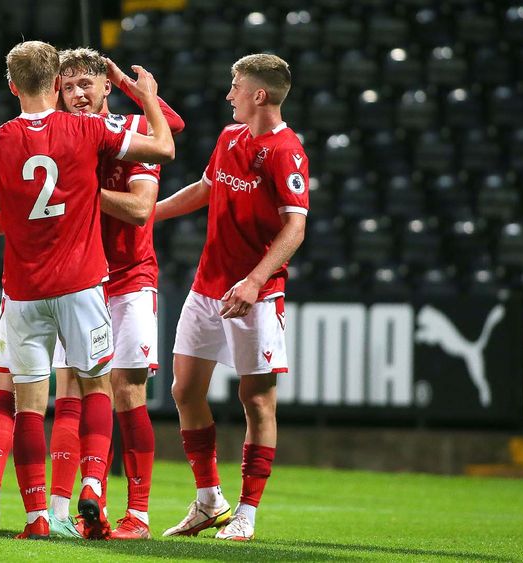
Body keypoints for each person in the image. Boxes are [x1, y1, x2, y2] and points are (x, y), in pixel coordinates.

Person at [0, 40, 174, 540]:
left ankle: (38, 516)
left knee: (28, 402)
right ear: (56, 85)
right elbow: (166, 146)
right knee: (96, 387)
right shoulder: (88, 129)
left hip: (23, 289)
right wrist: (146, 95)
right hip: (84, 284)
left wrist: (21, 220)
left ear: (12, 85)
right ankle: (90, 486)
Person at [154, 53, 308, 542]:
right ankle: (208, 501)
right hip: (207, 286)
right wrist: (148, 215)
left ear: (258, 95)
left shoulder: (287, 151)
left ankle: (247, 512)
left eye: (235, 86)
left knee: (257, 401)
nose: (229, 94)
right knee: (184, 390)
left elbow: (296, 226)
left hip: (255, 294)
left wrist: (256, 281)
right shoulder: (228, 137)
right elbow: (206, 187)